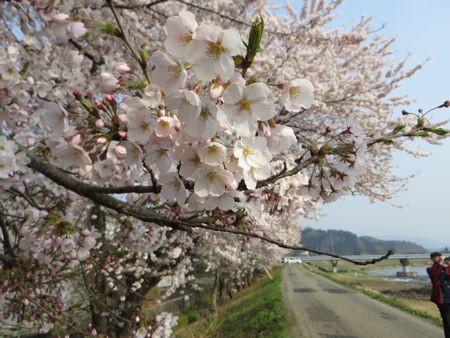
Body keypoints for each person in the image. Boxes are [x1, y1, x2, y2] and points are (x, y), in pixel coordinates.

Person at [427, 252, 450, 338]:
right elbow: (434, 273)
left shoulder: (445, 269)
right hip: (442, 298)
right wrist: (440, 263)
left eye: (439, 257)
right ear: (432, 259)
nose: (438, 258)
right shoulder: (430, 269)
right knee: (447, 321)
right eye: (435, 257)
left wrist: (448, 264)